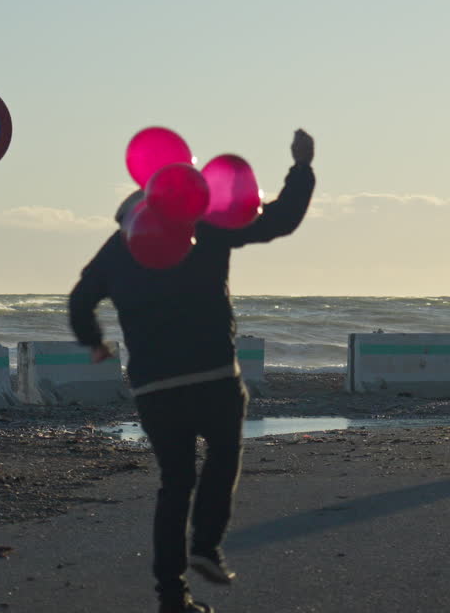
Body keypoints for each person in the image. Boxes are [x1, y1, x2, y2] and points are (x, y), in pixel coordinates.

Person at [68, 130, 316, 613]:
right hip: (214, 374)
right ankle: (206, 545)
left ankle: (171, 597)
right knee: (224, 453)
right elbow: (279, 222)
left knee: (175, 483)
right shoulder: (205, 227)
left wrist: (94, 343)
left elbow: (80, 300)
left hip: (156, 387)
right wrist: (302, 167)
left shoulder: (116, 248)